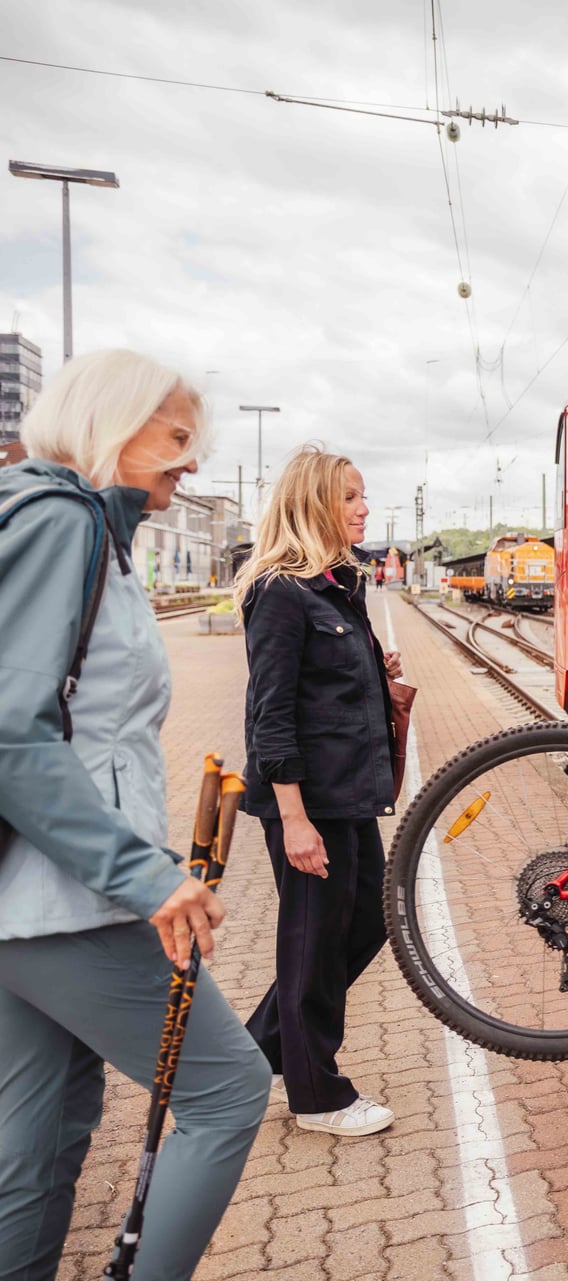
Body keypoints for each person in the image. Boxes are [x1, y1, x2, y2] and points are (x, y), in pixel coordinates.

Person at [0, 350, 269, 1279]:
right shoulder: (60, 523)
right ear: (111, 423)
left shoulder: (78, 529)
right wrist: (147, 874)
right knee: (230, 1090)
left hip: (30, 901)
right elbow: (12, 734)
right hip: (64, 898)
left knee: (38, 1144)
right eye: (179, 437)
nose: (192, 461)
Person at [233, 448, 403, 1137]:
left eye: (364, 495)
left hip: (349, 795)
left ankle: (250, 1054)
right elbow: (269, 714)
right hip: (308, 803)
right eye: (349, 497)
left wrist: (374, 664)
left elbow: (328, 687)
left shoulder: (340, 585)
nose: (363, 507)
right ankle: (316, 1095)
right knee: (310, 943)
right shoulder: (279, 592)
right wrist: (293, 818)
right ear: (312, 504)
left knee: (371, 920)